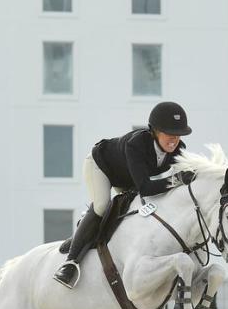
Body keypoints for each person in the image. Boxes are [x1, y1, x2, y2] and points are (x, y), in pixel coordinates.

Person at [53, 101, 192, 288]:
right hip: (101, 166)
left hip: (128, 178)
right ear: (154, 131)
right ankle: (70, 263)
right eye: (169, 134)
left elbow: (189, 174)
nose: (174, 140)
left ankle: (83, 234)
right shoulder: (137, 144)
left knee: (135, 209)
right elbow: (147, 188)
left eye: (177, 135)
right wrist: (177, 180)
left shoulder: (178, 150)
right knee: (102, 206)